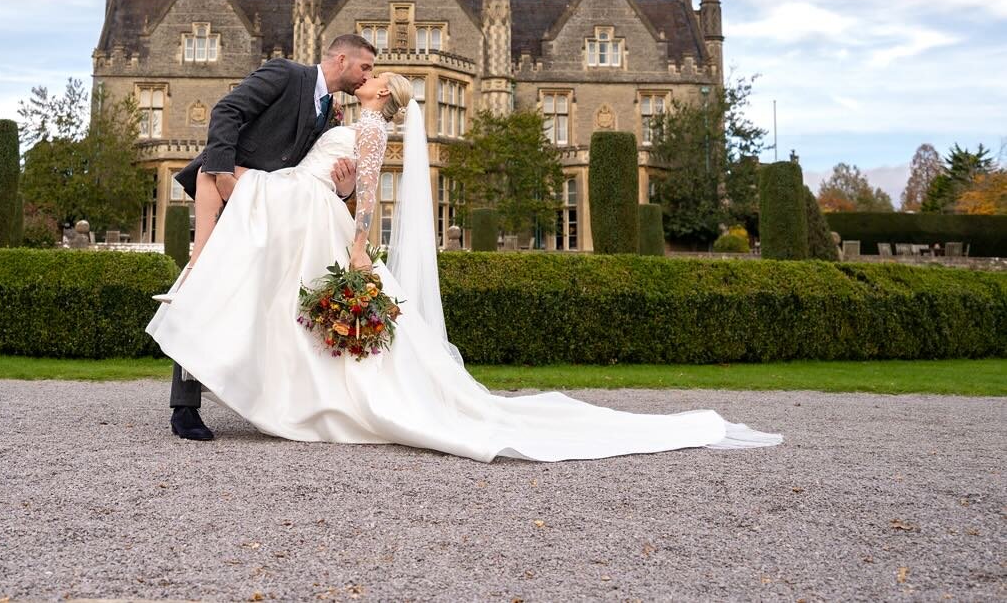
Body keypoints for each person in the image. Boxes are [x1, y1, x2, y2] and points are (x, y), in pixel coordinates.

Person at [149, 70, 783, 461]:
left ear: (381, 96)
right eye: (368, 67)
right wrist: (336, 194)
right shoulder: (338, 113)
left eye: (376, 76)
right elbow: (331, 170)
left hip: (317, 216)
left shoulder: (369, 128)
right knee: (259, 291)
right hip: (304, 207)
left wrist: (359, 238)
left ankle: (283, 386)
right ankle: (228, 377)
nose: (370, 75)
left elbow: (365, 188)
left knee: (256, 280)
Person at [160, 34, 376, 441]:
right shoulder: (285, 73)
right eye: (365, 67)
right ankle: (184, 408)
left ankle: (262, 395)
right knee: (207, 288)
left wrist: (345, 189)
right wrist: (223, 172)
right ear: (343, 59)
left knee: (259, 301)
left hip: (279, 213)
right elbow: (227, 110)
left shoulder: (331, 112)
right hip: (236, 194)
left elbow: (318, 172)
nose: (369, 75)